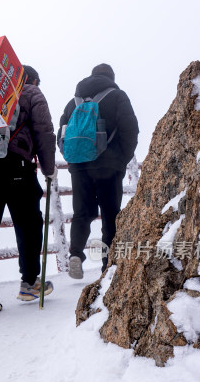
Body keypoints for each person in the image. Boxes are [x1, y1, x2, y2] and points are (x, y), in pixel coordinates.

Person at [0, 65, 57, 317]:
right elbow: (44, 133)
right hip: (16, 167)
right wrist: (49, 169)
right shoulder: (31, 92)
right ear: (33, 79)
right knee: (28, 225)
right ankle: (29, 283)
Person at [58, 63, 139, 278]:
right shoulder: (117, 96)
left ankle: (75, 253)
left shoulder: (72, 103)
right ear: (111, 78)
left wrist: (73, 159)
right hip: (109, 166)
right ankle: (107, 266)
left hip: (79, 166)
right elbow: (130, 129)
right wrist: (122, 159)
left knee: (82, 213)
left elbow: (62, 136)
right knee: (110, 216)